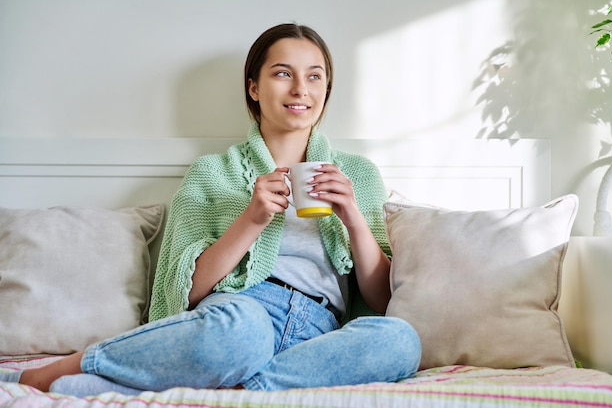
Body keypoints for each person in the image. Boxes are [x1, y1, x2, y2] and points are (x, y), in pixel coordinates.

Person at [7, 22, 421, 396]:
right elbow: (184, 290)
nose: (301, 89)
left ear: (326, 90)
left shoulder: (357, 176)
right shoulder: (212, 173)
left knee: (401, 339)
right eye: (282, 73)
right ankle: (74, 364)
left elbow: (382, 300)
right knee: (243, 333)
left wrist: (351, 217)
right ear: (254, 88)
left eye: (315, 77)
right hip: (238, 314)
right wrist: (252, 218)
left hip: (319, 334)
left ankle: (237, 387)